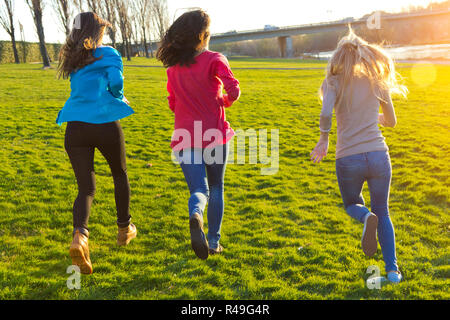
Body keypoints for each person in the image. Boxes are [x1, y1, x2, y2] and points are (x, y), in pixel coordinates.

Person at [310, 28, 407, 283]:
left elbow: (326, 113)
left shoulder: (334, 81)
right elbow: (392, 121)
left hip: (348, 158)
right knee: (383, 212)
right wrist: (372, 117)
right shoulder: (376, 79)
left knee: (352, 204)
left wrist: (323, 138)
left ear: (339, 57)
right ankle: (393, 271)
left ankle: (365, 217)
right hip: (378, 155)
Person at [56, 12, 137, 274]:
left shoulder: (74, 58)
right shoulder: (109, 54)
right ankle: (124, 229)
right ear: (97, 31)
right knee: (119, 173)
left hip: (75, 127)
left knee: (86, 188)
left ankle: (80, 237)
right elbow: (116, 82)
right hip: (103, 123)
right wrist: (118, 96)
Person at [157, 10, 241, 260]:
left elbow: (172, 103)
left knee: (199, 189)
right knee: (216, 187)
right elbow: (234, 90)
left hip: (184, 136)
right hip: (214, 134)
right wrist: (223, 101)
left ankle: (196, 214)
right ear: (204, 36)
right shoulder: (215, 59)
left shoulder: (173, 68)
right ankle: (214, 242)